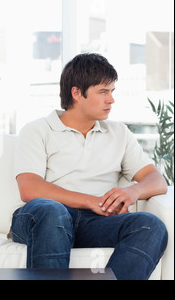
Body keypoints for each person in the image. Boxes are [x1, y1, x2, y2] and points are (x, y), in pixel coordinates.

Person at [10, 53, 168, 280]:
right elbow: (29, 188)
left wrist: (131, 191)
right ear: (76, 93)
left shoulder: (118, 133)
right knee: (52, 211)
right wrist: (91, 201)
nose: (111, 99)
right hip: (43, 218)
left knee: (150, 225)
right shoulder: (37, 130)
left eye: (112, 91)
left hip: (96, 222)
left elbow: (156, 179)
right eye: (103, 92)